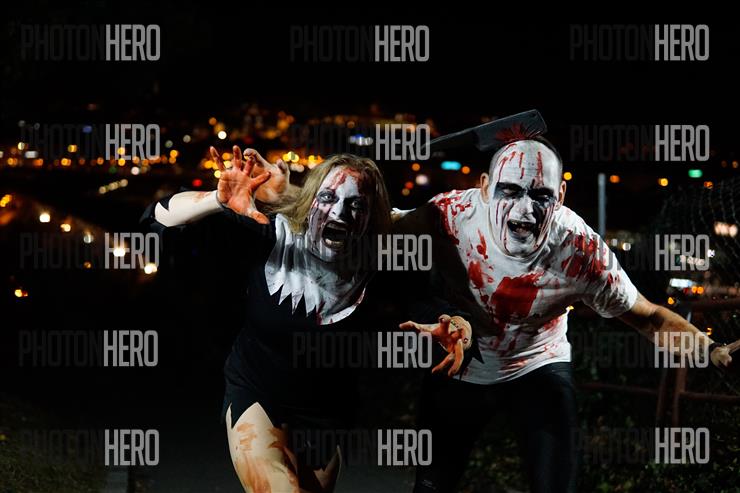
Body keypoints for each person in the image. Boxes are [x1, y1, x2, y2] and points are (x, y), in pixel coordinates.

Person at [396, 137, 736, 493]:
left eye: (541, 195)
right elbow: (386, 225)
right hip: (461, 360)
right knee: (430, 487)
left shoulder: (580, 250)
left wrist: (712, 350)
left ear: (560, 196)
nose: (524, 211)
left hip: (536, 365)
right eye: (509, 191)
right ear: (484, 188)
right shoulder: (454, 213)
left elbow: (649, 317)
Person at [142, 146, 469, 492]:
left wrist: (457, 327)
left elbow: (430, 307)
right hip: (257, 394)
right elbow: (158, 217)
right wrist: (216, 199)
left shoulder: (376, 265)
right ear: (310, 201)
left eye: (356, 205)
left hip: (325, 414)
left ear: (371, 217)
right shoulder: (270, 236)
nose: (339, 212)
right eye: (327, 197)